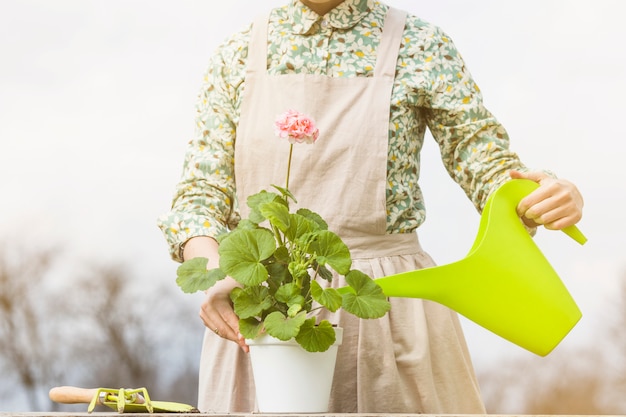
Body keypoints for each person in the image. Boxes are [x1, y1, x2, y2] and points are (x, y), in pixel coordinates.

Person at [158, 0, 583, 413]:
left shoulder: (421, 44)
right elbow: (200, 192)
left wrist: (543, 196)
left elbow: (484, 164)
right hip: (265, 317)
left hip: (389, 309)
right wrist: (216, 267)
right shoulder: (238, 53)